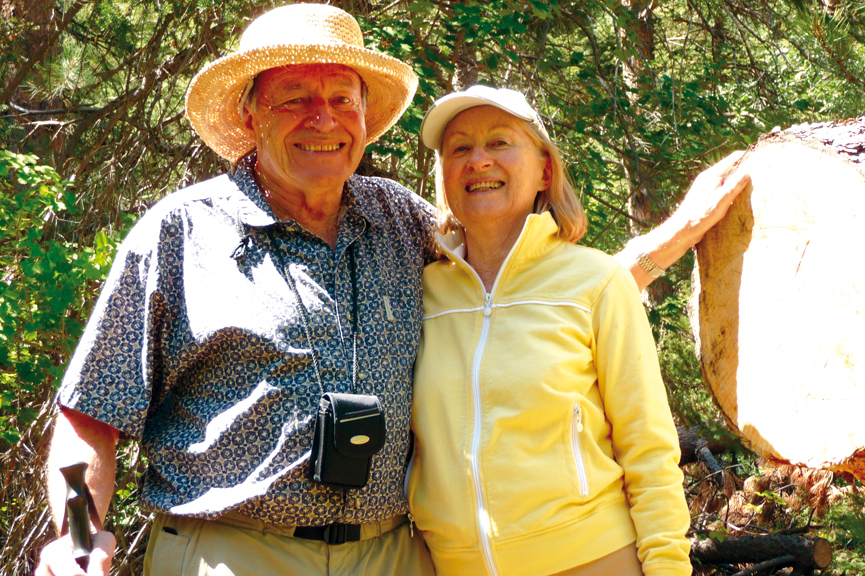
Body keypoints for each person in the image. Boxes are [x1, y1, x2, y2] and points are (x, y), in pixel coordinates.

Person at [35, 5, 749, 576]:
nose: (322, 118)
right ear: (250, 118)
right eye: (294, 100)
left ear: (364, 118)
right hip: (233, 552)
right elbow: (88, 413)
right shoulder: (181, 235)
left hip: (391, 555)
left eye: (340, 99)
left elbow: (525, 292)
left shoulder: (401, 221)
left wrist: (673, 238)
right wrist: (76, 537)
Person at [407, 86, 693, 576]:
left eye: (500, 142)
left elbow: (649, 448)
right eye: (459, 148)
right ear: (445, 176)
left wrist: (668, 566)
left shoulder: (597, 282)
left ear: (544, 169)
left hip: (593, 560)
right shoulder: (419, 293)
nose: (478, 160)